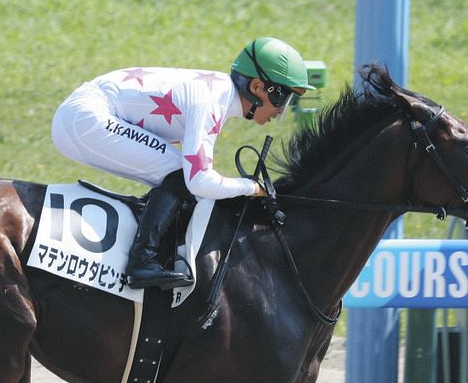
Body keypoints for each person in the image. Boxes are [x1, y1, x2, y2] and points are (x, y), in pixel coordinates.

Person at [52, 37, 315, 290]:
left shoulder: (219, 94)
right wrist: (251, 187)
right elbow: (199, 181)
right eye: (282, 98)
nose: (281, 110)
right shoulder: (212, 101)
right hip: (86, 117)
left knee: (178, 177)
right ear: (257, 87)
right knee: (180, 174)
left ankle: (152, 245)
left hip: (81, 116)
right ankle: (142, 262)